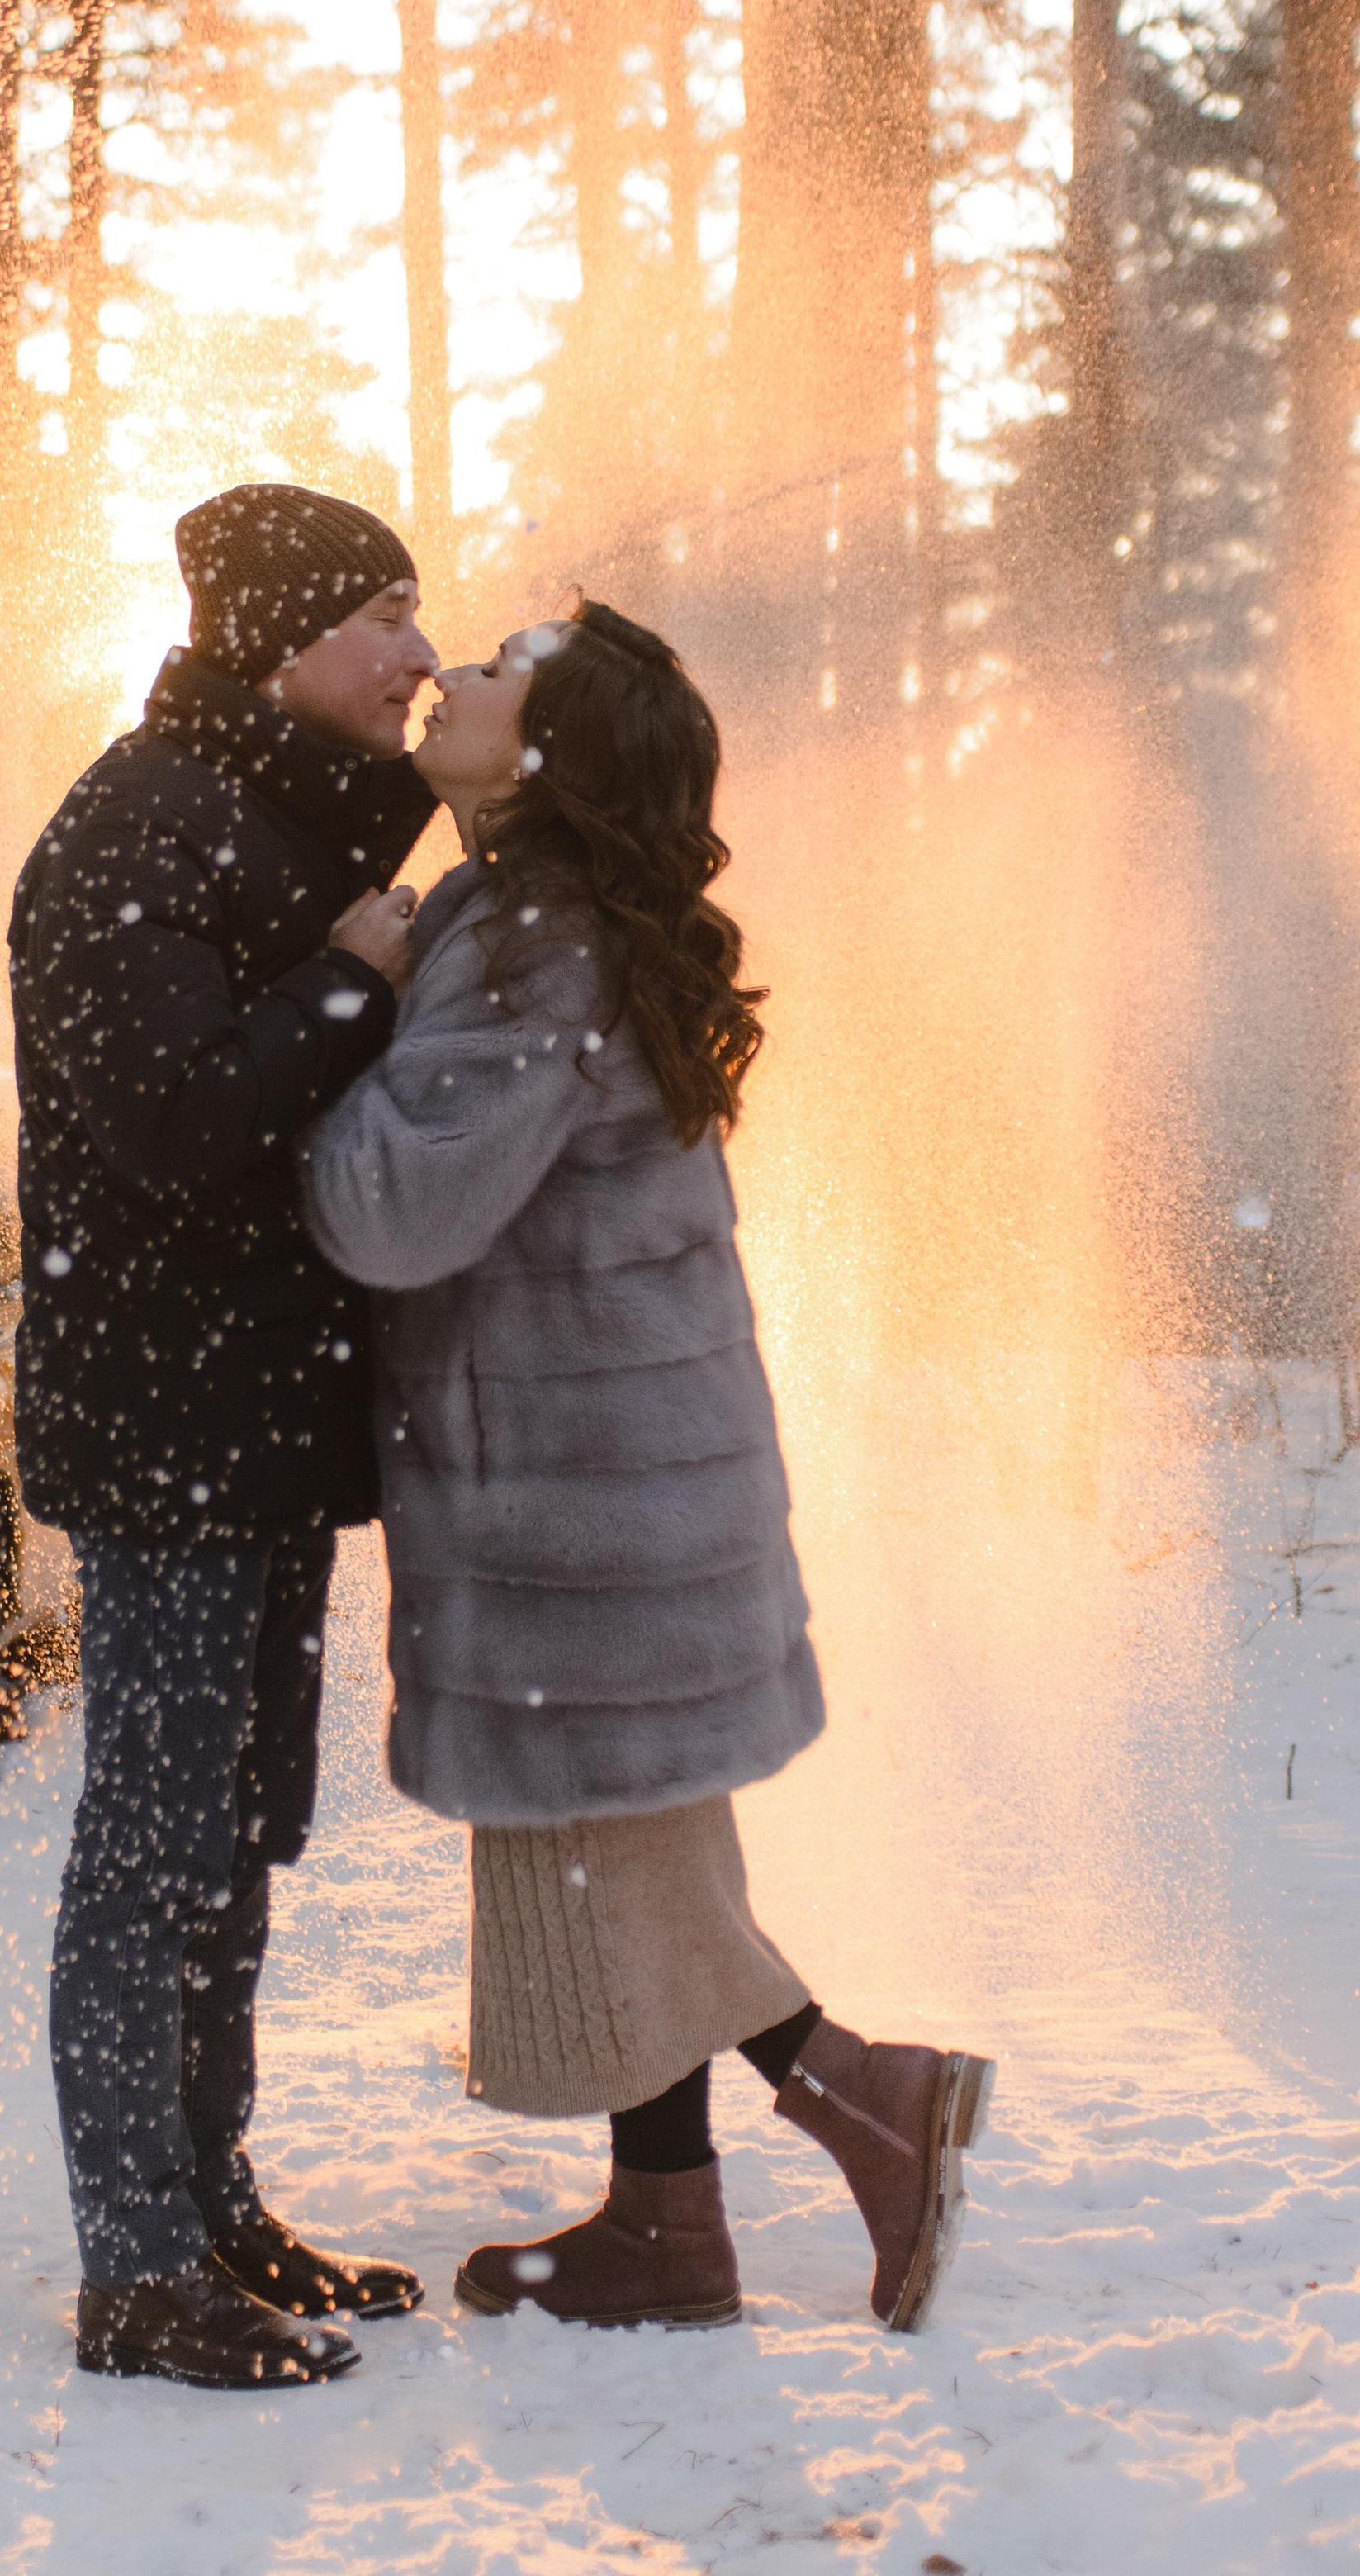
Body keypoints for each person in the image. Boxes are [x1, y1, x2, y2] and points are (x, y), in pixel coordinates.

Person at [301, 601, 995, 2334]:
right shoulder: (562, 915)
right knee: (636, 1855)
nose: (446, 674)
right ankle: (663, 2225)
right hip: (626, 1495)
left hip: (571, 1514)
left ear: (542, 758)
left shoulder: (525, 940)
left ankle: (870, 2095)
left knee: (615, 1866)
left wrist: (336, 1007)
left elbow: (392, 1210)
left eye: (491, 677)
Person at [10, 483, 441, 2389]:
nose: (421, 658)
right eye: (387, 616)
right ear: (284, 640)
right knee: (155, 1840)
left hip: (249, 1424)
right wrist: (357, 972)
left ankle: (212, 2202)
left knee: (239, 1837)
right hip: (167, 1429)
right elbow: (178, 1123)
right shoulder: (134, 828)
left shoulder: (245, 814)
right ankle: (134, 2269)